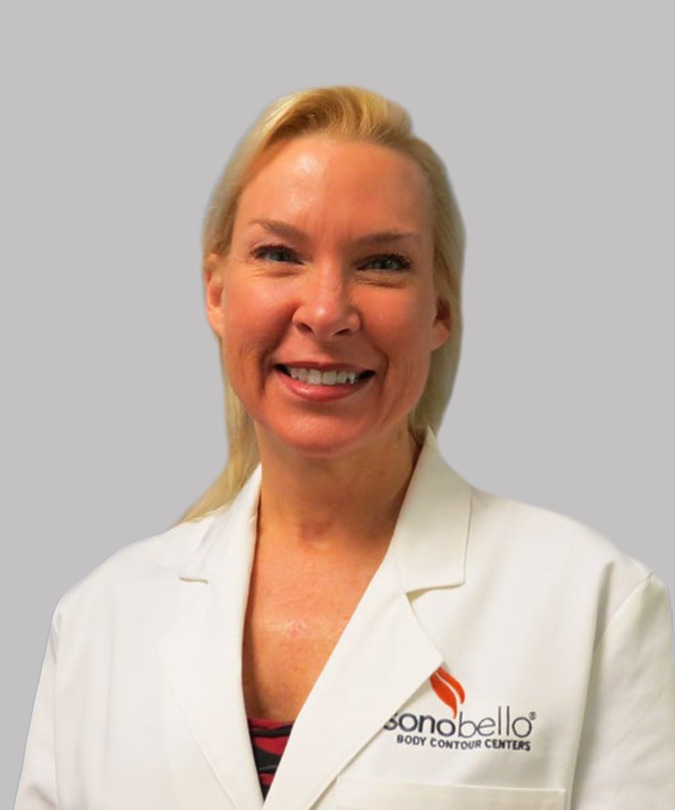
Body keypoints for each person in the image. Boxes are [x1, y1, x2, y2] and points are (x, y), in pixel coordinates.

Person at [15, 86, 675, 809]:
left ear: (440, 311)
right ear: (217, 293)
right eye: (278, 254)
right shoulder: (100, 620)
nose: (327, 311)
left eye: (382, 263)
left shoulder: (594, 609)